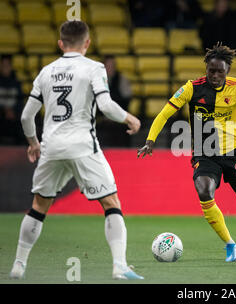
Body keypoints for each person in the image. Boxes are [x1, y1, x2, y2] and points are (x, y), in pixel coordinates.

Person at [9, 21, 143, 280]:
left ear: (60, 43)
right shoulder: (94, 68)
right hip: (83, 145)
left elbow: (27, 117)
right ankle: (119, 266)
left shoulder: (46, 72)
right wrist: (129, 118)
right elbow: (105, 105)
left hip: (51, 147)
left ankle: (18, 265)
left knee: (38, 207)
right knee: (111, 202)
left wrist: (33, 143)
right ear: (87, 43)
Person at [137, 42, 236, 262]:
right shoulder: (192, 88)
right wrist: (150, 140)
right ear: (206, 68)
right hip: (204, 152)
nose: (215, 75)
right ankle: (230, 245)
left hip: (233, 154)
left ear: (227, 71)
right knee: (204, 191)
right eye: (211, 70)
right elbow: (164, 113)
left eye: (220, 71)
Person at [96, 55, 133, 147]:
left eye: (112, 66)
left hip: (119, 118)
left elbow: (126, 100)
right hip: (101, 117)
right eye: (108, 66)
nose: (110, 69)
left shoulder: (122, 79)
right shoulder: (97, 80)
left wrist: (116, 114)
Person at [0, 55, 24, 145]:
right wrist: (4, 111)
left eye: (7, 65)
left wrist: (13, 111)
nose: (5, 68)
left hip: (14, 117)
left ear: (11, 66)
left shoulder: (17, 83)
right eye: (3, 65)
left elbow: (20, 102)